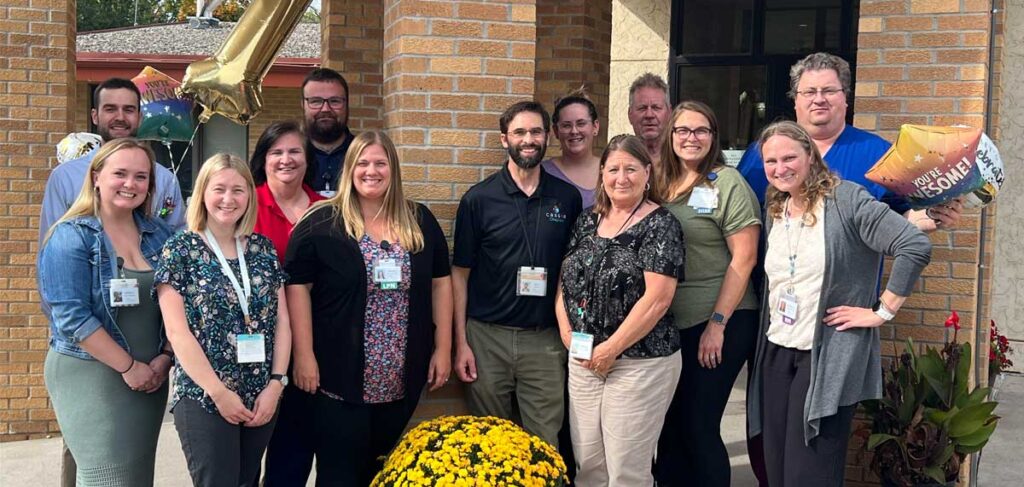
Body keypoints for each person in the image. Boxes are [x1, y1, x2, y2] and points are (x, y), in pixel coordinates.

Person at [747, 121, 932, 486]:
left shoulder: (845, 198)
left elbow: (914, 245)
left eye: (789, 158)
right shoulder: (777, 207)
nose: (780, 168)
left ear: (810, 157)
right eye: (771, 161)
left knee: (810, 472)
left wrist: (882, 310)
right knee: (776, 467)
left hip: (825, 354)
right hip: (776, 350)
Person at [283, 130, 454, 485]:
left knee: (382, 473)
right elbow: (297, 288)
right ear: (349, 168)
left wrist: (444, 348)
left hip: (400, 378)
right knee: (338, 474)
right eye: (362, 162)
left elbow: (441, 283)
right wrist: (303, 355)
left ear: (393, 168)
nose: (371, 171)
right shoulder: (322, 222)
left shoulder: (418, 220)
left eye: (380, 163)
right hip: (337, 378)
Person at [39, 138, 175, 487]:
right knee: (107, 479)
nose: (131, 184)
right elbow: (73, 319)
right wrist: (129, 368)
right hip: (92, 376)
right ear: (96, 177)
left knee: (136, 476)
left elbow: (179, 303)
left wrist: (164, 357)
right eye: (121, 174)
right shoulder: (71, 236)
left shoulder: (159, 235)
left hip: (151, 377)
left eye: (141, 177)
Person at [154, 154, 291, 487]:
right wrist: (218, 392)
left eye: (238, 190)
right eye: (219, 189)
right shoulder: (180, 250)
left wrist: (276, 384)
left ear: (249, 196)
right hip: (205, 395)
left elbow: (283, 323)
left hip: (260, 394)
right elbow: (177, 331)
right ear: (202, 192)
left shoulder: (263, 249)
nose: (228, 199)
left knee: (248, 481)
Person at [452, 101, 583, 448]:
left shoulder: (566, 198)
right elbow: (459, 276)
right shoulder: (478, 200)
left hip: (545, 340)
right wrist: (461, 342)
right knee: (489, 441)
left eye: (536, 131)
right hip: (486, 338)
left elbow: (572, 272)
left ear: (547, 137)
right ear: (503, 139)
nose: (529, 139)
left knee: (544, 441)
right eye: (520, 132)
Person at [556, 134, 684, 486]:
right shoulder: (586, 221)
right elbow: (565, 281)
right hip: (583, 359)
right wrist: (568, 335)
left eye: (631, 169)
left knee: (626, 470)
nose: (621, 178)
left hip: (640, 362)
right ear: (602, 174)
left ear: (647, 173)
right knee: (589, 466)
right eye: (613, 169)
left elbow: (658, 299)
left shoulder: (661, 225)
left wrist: (611, 349)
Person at [654, 101, 762, 487]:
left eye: (701, 131)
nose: (691, 138)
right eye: (683, 130)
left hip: (720, 322)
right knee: (669, 427)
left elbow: (744, 258)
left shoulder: (726, 183)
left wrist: (717, 324)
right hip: (671, 323)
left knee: (699, 425)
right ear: (671, 136)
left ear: (714, 138)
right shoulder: (661, 183)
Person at [737, 52, 961, 232]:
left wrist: (933, 216)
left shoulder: (879, 154)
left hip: (846, 285)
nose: (818, 99)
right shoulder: (760, 153)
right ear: (795, 99)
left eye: (829, 91)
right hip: (767, 284)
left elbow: (902, 216)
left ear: (846, 97)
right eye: (808, 92)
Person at [40, 78, 185, 244]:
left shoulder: (165, 179)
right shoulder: (64, 177)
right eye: (110, 109)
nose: (120, 117)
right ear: (95, 116)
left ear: (140, 117)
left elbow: (175, 243)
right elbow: (50, 244)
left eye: (129, 110)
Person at [249, 121, 325, 261]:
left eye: (294, 151)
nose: (286, 160)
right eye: (276, 153)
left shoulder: (327, 209)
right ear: (263, 161)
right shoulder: (247, 205)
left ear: (308, 159)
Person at [543, 87, 601, 209]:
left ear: (595, 127)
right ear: (556, 131)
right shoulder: (542, 173)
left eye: (581, 124)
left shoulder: (610, 171)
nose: (574, 131)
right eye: (566, 125)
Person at [301, 68, 355, 197]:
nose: (325, 109)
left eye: (335, 101)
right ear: (303, 105)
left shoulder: (363, 153)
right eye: (316, 101)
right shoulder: (290, 156)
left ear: (347, 104)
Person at [627, 73, 671, 167]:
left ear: (669, 113)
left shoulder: (683, 163)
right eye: (642, 108)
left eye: (656, 107)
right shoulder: (618, 161)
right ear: (630, 114)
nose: (649, 115)